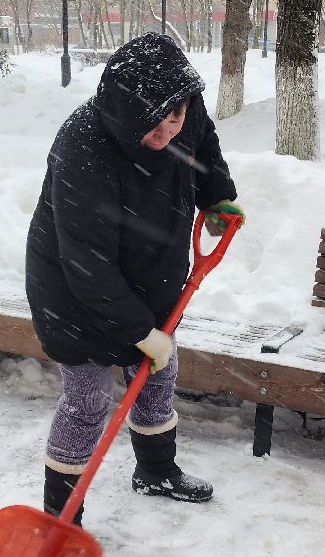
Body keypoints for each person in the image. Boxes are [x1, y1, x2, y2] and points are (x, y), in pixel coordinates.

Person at [25, 33, 243, 527]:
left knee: (158, 376)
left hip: (149, 271)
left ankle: (156, 471)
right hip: (73, 288)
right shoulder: (81, 149)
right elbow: (87, 262)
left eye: (176, 116)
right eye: (156, 122)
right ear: (127, 114)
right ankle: (62, 519)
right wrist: (139, 332)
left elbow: (202, 141)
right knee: (87, 401)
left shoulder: (180, 109)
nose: (170, 130)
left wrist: (216, 196)